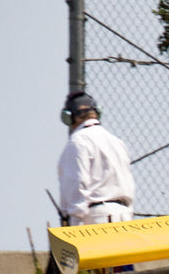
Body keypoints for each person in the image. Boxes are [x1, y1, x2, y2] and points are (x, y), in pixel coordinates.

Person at [57, 92, 135, 225]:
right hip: (125, 215)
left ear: (69, 117)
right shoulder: (117, 142)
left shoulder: (78, 141)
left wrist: (73, 223)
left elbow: (77, 183)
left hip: (98, 217)